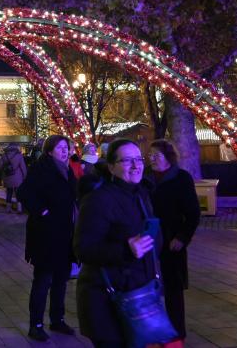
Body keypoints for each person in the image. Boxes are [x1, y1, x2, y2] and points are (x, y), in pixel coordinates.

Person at [74, 138, 160, 347]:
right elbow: (82, 249)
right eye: (127, 161)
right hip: (107, 302)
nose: (135, 165)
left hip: (138, 296)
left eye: (138, 159)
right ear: (111, 167)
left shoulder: (140, 195)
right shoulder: (98, 200)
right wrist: (125, 249)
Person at [17, 134, 78, 341]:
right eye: (60, 147)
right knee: (43, 280)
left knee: (61, 279)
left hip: (64, 234)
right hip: (45, 235)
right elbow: (24, 193)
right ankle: (36, 324)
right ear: (50, 150)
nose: (64, 150)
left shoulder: (67, 170)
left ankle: (57, 319)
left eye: (66, 147)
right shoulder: (41, 169)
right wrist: (42, 211)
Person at [148, 138, 201, 341]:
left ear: (168, 157)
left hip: (172, 241)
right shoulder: (145, 177)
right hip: (149, 240)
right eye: (150, 155)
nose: (151, 159)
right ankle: (154, 330)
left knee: (173, 290)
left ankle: (177, 333)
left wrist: (182, 237)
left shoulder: (181, 178)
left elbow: (193, 213)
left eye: (156, 155)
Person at [2, 143, 27, 213]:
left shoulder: (4, 155)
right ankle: (19, 209)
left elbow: (0, 165)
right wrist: (25, 176)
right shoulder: (19, 156)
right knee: (18, 193)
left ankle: (8, 208)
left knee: (9, 193)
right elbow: (23, 167)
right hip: (17, 178)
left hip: (7, 176)